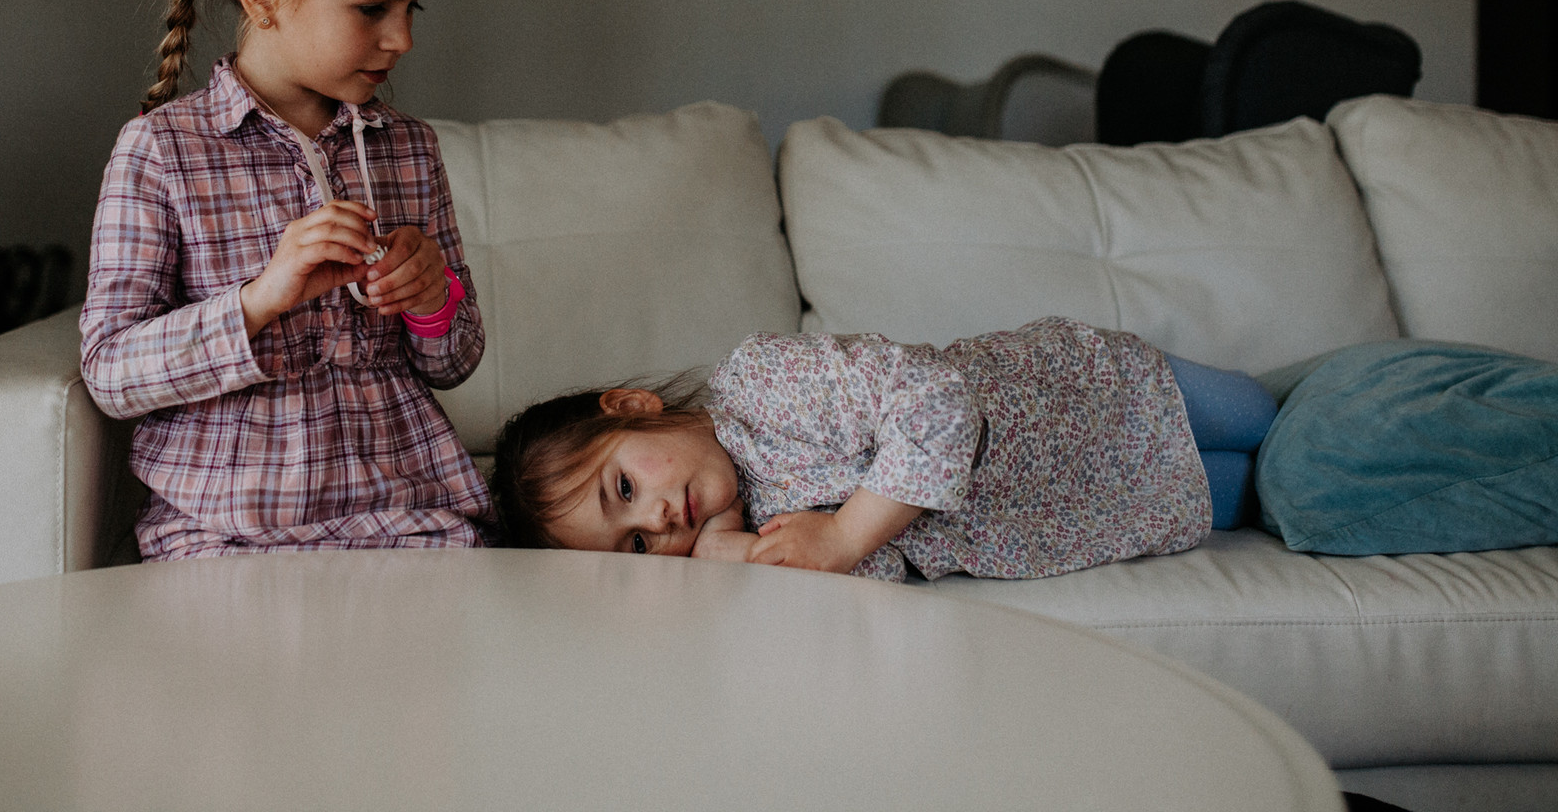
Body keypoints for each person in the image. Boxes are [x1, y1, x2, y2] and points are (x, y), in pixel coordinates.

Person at [81, 0, 491, 560]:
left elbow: (454, 360)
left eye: (412, 8)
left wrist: (433, 299)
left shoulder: (409, 149)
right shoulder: (163, 151)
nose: (402, 38)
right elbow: (111, 372)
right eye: (373, 7)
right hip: (228, 529)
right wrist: (260, 299)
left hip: (406, 513)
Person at [489, 317, 1278, 581]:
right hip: (1078, 503)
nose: (660, 520)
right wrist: (733, 561)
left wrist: (842, 532)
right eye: (635, 546)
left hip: (1078, 396)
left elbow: (935, 399)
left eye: (624, 489)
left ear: (630, 408)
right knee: (1261, 493)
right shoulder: (761, 534)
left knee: (1260, 413)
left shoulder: (761, 387)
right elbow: (879, 574)